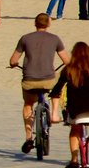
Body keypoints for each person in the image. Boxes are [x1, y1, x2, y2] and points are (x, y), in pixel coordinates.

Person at [9, 13, 70, 153]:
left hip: (30, 80)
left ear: (35, 23)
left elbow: (13, 60)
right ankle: (54, 113)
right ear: (48, 23)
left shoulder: (25, 38)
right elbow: (67, 61)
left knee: (28, 104)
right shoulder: (55, 39)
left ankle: (29, 137)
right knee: (57, 89)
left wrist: (14, 64)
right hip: (48, 80)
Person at [50, 42, 89, 168]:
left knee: (75, 129)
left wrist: (54, 111)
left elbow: (56, 91)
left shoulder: (68, 69)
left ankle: (74, 160)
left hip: (76, 111)